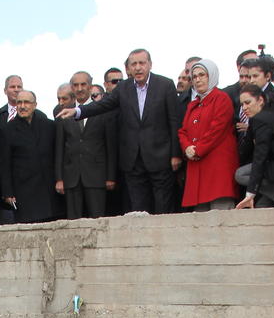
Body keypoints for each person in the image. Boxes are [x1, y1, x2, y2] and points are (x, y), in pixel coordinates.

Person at [57, 48, 181, 214]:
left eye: (142, 63)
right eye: (134, 64)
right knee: (138, 210)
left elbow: (174, 121)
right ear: (128, 68)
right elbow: (103, 105)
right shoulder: (123, 88)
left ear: (150, 64)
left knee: (163, 206)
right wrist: (78, 111)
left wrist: (175, 154)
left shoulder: (165, 85)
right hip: (133, 161)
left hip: (160, 157)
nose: (138, 68)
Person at [54, 70, 117, 218]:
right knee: (73, 222)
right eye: (76, 85)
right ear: (72, 87)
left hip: (97, 175)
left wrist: (111, 176)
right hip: (71, 177)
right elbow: (60, 148)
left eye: (83, 84)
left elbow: (110, 146)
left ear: (90, 86)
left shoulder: (102, 110)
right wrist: (59, 178)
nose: (80, 88)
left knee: (98, 219)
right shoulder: (63, 112)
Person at [177, 59, 239, 210]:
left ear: (211, 75)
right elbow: (183, 131)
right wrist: (187, 148)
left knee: (221, 213)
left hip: (218, 168)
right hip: (198, 168)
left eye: (202, 75)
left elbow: (217, 130)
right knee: (200, 216)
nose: (197, 80)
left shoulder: (222, 98)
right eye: (194, 77)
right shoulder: (193, 104)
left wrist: (197, 150)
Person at [0, 90, 57, 223]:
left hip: (49, 188)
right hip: (24, 190)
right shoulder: (8, 130)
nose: (22, 106)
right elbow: (4, 164)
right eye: (19, 102)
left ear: (35, 105)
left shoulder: (49, 125)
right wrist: (7, 192)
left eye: (26, 102)